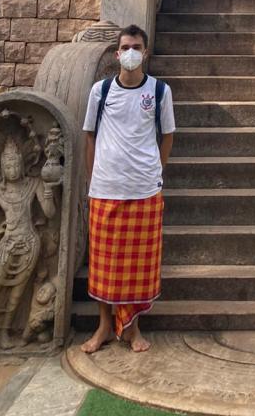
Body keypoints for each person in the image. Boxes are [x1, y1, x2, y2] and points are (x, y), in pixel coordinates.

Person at [80, 24, 175, 354]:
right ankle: (105, 326)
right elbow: (89, 135)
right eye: (125, 47)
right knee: (104, 264)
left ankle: (134, 328)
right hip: (106, 188)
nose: (131, 52)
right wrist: (92, 179)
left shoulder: (160, 91)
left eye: (136, 46)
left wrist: (156, 173)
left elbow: (168, 137)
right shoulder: (100, 91)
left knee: (139, 267)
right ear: (117, 53)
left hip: (145, 190)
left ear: (145, 52)